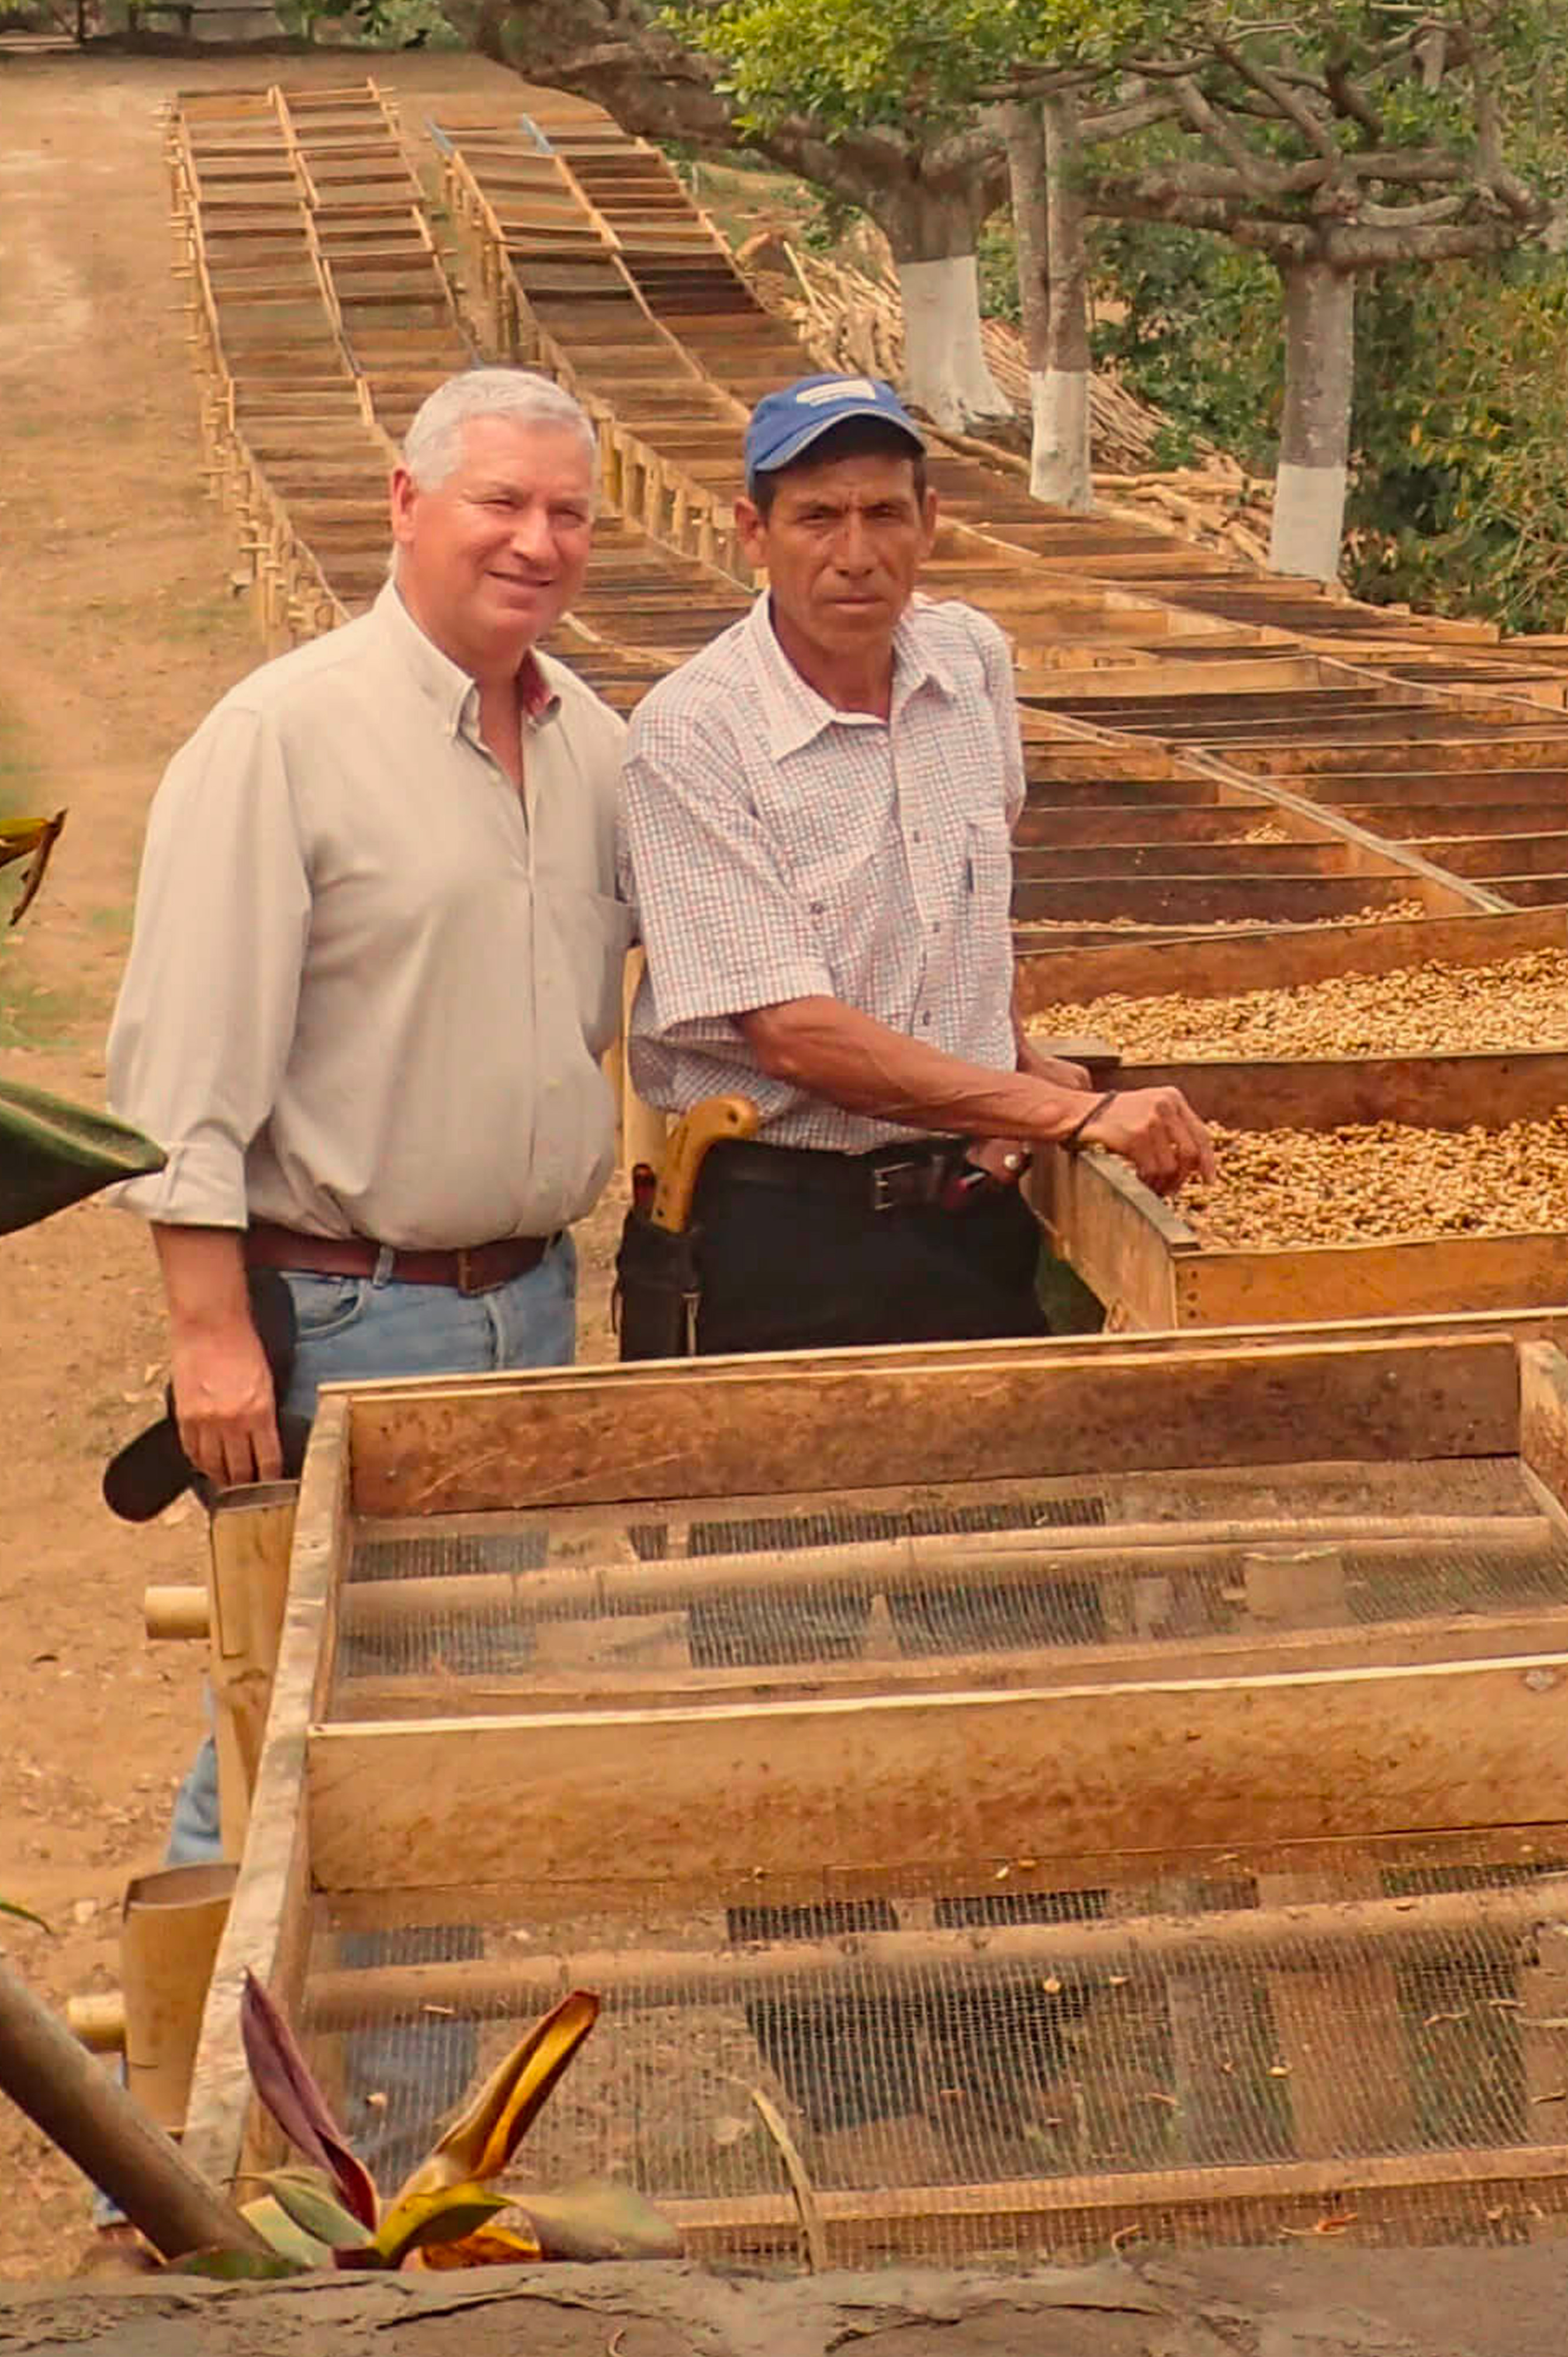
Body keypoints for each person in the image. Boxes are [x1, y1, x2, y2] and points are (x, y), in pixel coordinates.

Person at [617, 372, 1214, 2181]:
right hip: (778, 1230)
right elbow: (790, 1028)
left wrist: (1031, 1120)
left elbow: (980, 929)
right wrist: (1064, 1108)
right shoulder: (692, 736)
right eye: (817, 520)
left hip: (964, 1220)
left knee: (1003, 1616)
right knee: (789, 1645)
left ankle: (1002, 2041)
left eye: (886, 515)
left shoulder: (974, 672)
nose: (856, 555)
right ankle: (852, 2089)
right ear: (749, 534)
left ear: (931, 524)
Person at [104, 365, 629, 2177]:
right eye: (500, 503)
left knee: (447, 1710)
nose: (537, 543)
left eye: (567, 514)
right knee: (286, 1712)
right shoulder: (286, 736)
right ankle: (180, 2144)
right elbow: (185, 1073)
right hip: (343, 1301)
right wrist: (205, 1334)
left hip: (525, 1297)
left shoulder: (593, 744)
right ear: (402, 502)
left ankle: (386, 2126)